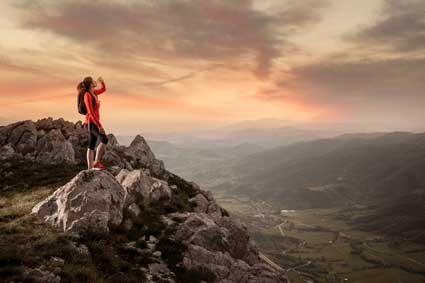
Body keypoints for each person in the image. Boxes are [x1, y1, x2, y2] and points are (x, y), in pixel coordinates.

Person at [79, 76, 108, 170]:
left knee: (92, 144)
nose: (94, 81)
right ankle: (96, 162)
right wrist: (99, 126)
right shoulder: (87, 95)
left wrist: (102, 82)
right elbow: (90, 113)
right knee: (104, 139)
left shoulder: (94, 92)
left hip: (94, 122)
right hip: (91, 122)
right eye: (93, 81)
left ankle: (90, 168)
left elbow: (103, 89)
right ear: (90, 84)